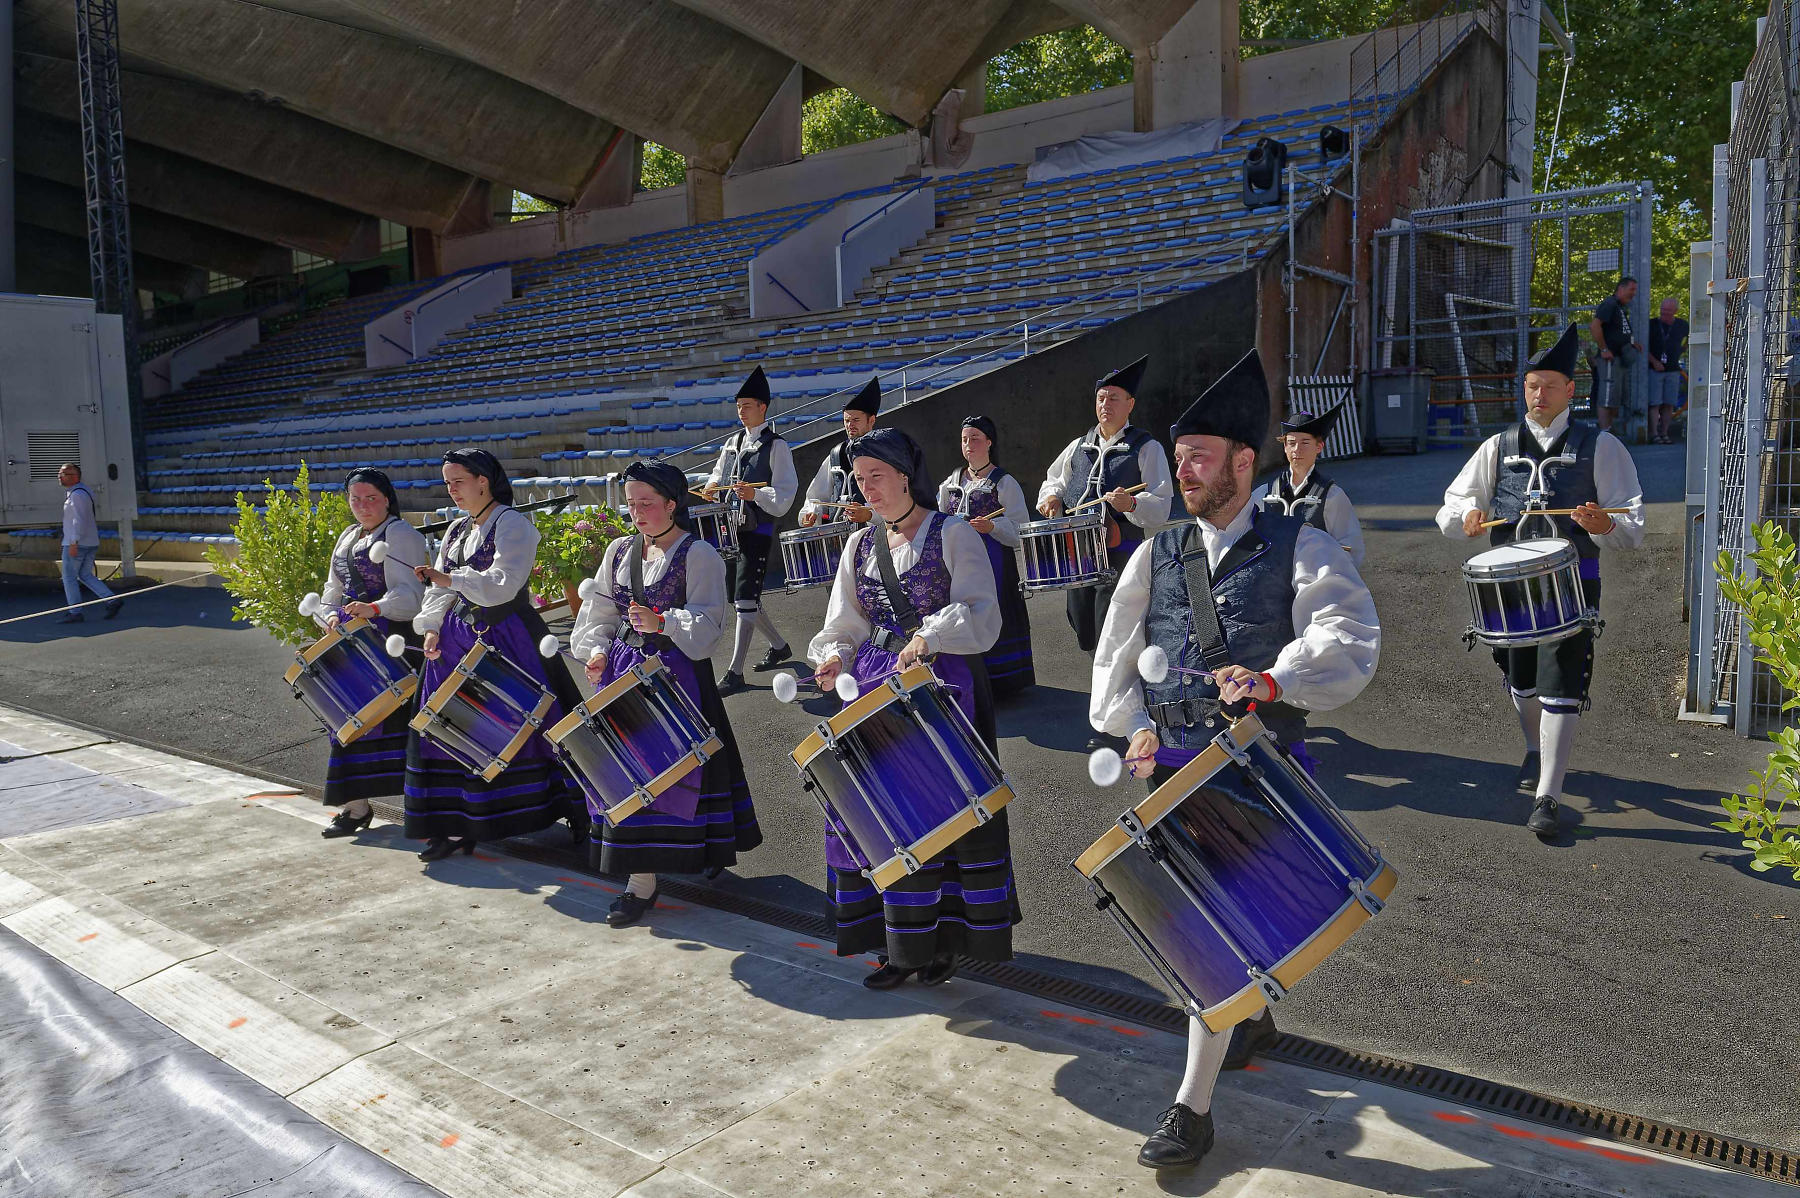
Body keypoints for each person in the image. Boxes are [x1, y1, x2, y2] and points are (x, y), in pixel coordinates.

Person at [1089, 349, 1380, 1170]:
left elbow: (1347, 637)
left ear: (1244, 463)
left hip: (1252, 767)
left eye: (1200, 458)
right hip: (1172, 769)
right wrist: (1133, 728)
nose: (1182, 471)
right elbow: (1122, 654)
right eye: (1179, 457)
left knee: (1210, 938)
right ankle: (1247, 1020)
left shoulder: (1303, 544)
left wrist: (1276, 675)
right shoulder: (1156, 551)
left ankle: (1193, 1109)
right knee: (1211, 932)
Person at [807, 427, 1020, 988]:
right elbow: (846, 621)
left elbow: (981, 612)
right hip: (875, 685)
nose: (867, 489)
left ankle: (943, 941)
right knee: (881, 816)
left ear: (905, 475)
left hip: (940, 684)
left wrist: (930, 635)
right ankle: (895, 942)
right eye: (859, 479)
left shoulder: (952, 534)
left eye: (877, 476)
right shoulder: (859, 544)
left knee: (940, 813)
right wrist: (834, 658)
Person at [1435, 324, 1645, 836]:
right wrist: (1464, 516)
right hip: (1507, 588)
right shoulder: (1498, 445)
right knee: (1522, 678)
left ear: (1571, 391)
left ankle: (1549, 794)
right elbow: (1452, 504)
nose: (1539, 394)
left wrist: (1607, 524)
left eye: (1550, 385)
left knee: (1562, 681)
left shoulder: (1603, 445)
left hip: (1573, 583)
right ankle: (1534, 746)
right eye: (1531, 385)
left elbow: (1633, 524)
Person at [569, 462, 762, 926]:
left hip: (677, 679)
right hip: (622, 674)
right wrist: (595, 651)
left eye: (646, 503)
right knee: (630, 777)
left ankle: (697, 850)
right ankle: (642, 881)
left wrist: (666, 623)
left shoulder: (700, 555)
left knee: (680, 775)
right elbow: (599, 612)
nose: (636, 512)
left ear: (672, 504)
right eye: (631, 503)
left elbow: (709, 627)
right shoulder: (618, 551)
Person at [406, 449, 586, 861]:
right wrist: (430, 627)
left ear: (483, 480)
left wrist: (449, 578)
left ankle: (575, 809)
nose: (451, 490)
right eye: (447, 482)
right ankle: (457, 824)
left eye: (458, 481)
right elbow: (438, 591)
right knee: (450, 728)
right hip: (454, 642)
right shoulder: (454, 530)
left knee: (536, 721)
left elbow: (503, 585)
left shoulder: (513, 524)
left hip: (509, 638)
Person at [1036, 356, 1174, 747]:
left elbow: (1161, 505)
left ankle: (1124, 722)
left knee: (1117, 640)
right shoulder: (1079, 445)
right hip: (1080, 554)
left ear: (1130, 404)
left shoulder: (1147, 448)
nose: (1105, 405)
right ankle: (1116, 710)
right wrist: (1051, 500)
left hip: (1122, 557)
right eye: (1101, 398)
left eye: (1114, 398)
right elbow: (1053, 481)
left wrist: (1132, 506)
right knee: (1086, 626)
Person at [313, 468, 428, 838]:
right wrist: (329, 614)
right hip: (354, 644)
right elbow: (332, 588)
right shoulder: (347, 537)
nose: (362, 506)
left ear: (387, 499)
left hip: (393, 642)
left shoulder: (400, 535)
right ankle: (356, 807)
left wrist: (375, 608)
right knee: (349, 722)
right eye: (355, 499)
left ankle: (421, 810)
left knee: (399, 726)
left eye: (371, 498)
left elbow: (412, 596)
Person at [705, 366, 798, 693]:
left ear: (763, 407)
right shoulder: (732, 443)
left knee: (744, 596)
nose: (741, 411)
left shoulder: (777, 446)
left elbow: (786, 492)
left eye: (747, 405)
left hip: (758, 528)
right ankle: (780, 646)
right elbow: (719, 472)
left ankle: (735, 672)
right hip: (731, 528)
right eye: (738, 406)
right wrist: (713, 486)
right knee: (741, 598)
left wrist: (755, 493)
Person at [938, 414, 1034, 696]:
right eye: (965, 440)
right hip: (958, 563)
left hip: (994, 565)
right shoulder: (952, 481)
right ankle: (969, 678)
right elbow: (938, 517)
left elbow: (1020, 529)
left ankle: (1003, 682)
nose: (969, 445)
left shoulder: (1003, 482)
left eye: (975, 439)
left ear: (989, 442)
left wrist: (992, 526)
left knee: (992, 611)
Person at [1252, 405, 1366, 567]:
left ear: (1319, 447)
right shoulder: (1264, 494)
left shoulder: (1332, 497)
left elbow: (1350, 548)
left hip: (1314, 582)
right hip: (1272, 583)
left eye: (1305, 442)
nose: (1297, 449)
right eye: (1291, 443)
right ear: (1285, 447)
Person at [799, 376, 878, 527]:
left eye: (856, 420)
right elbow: (815, 498)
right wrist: (810, 514)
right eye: (847, 421)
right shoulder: (836, 454)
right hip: (840, 537)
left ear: (871, 420)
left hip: (876, 537)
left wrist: (869, 514)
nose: (850, 425)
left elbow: (896, 500)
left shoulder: (885, 453)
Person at [56, 463, 122, 623]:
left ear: (75, 477)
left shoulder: (77, 495)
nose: (60, 476)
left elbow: (79, 520)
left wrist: (73, 542)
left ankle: (75, 612)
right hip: (89, 541)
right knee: (84, 575)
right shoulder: (82, 492)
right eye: (60, 473)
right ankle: (112, 600)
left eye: (64, 473)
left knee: (69, 577)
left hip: (78, 543)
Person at [1588, 277, 1642, 433]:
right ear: (1621, 288)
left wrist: (1631, 343)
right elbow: (1594, 326)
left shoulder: (1620, 308)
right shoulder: (1609, 304)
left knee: (1615, 397)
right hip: (1609, 359)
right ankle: (1605, 431)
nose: (1634, 293)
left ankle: (1610, 429)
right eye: (1632, 289)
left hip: (1619, 358)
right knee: (1607, 397)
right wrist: (1604, 349)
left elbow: (1620, 330)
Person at [1646, 297, 1689, 444]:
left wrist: (1684, 349)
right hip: (1655, 369)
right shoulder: (1652, 325)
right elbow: (1643, 346)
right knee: (1655, 402)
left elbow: (1691, 336)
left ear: (1675, 311)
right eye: (1662, 311)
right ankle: (1653, 433)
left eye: (1668, 312)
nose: (1664, 314)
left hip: (1673, 369)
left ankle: (1664, 433)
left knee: (1669, 403)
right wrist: (1654, 361)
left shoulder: (1682, 325)